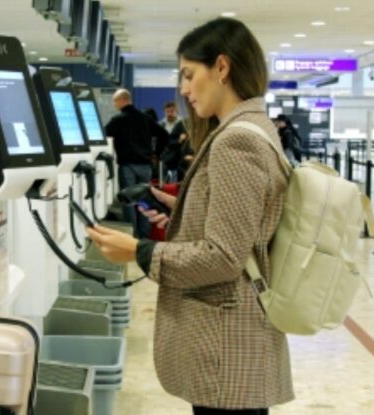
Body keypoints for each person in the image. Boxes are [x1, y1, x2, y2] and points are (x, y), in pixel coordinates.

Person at [87, 18, 293, 415]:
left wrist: (140, 251)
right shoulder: (252, 127)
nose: (183, 88)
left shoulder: (236, 140)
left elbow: (223, 257)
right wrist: (183, 215)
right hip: (234, 344)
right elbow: (243, 227)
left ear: (221, 67)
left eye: (188, 74)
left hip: (226, 348)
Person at [104, 88, 170, 238]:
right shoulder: (145, 118)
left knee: (129, 202)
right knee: (144, 201)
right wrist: (156, 154)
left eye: (115, 101)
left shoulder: (118, 120)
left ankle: (131, 236)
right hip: (146, 166)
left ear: (122, 100)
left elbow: (102, 136)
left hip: (128, 166)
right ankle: (145, 236)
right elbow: (164, 135)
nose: (115, 104)